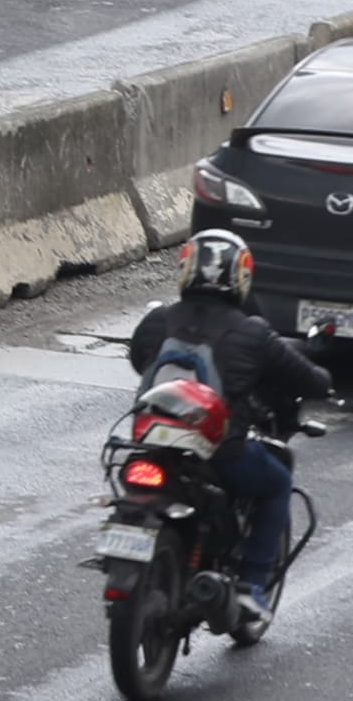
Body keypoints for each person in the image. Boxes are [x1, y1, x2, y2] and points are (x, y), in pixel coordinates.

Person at [127, 229, 334, 635]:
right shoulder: (252, 332)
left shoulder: (158, 319)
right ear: (240, 277)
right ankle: (251, 585)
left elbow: (139, 360)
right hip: (218, 452)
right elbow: (307, 378)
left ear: (187, 267)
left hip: (150, 444)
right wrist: (325, 379)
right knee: (276, 481)